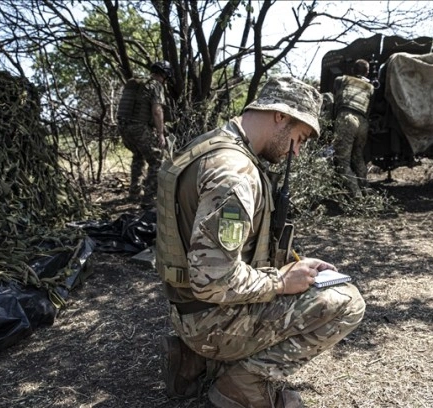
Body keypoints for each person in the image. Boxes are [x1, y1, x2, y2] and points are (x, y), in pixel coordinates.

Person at [155, 76, 366, 407]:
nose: (296, 149)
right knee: (348, 302)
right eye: (300, 137)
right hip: (211, 319)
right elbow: (214, 281)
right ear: (280, 116)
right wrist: (281, 282)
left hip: (190, 312)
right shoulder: (235, 175)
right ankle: (243, 385)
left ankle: (196, 362)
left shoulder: (209, 145)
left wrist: (293, 267)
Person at [116, 60, 172, 208]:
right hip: (138, 127)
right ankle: (149, 198)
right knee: (156, 159)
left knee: (138, 155)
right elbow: (156, 111)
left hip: (122, 126)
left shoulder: (134, 82)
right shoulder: (156, 85)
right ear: (165, 75)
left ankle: (134, 194)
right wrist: (160, 133)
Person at [331, 59, 375, 198]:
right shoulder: (371, 87)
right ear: (367, 71)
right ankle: (366, 190)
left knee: (342, 160)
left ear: (352, 70)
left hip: (346, 118)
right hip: (362, 122)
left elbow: (334, 99)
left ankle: (356, 194)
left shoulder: (341, 79)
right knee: (358, 157)